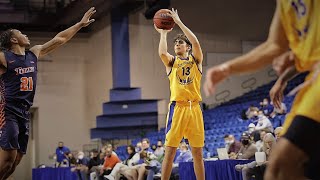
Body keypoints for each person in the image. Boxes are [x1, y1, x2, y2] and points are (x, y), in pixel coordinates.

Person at [203, 0, 320, 179]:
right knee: (279, 169)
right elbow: (274, 45)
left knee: (282, 163)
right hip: (313, 82)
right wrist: (227, 68)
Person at [0, 7, 96, 178]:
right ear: (14, 39)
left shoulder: (33, 53)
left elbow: (60, 39)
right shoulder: (4, 57)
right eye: (22, 33)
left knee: (14, 163)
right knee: (8, 158)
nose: (26, 35)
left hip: (25, 112)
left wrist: (79, 25)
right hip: (8, 111)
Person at [154, 8, 205, 180]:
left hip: (195, 108)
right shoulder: (172, 62)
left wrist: (178, 21)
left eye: (180, 43)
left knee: (197, 153)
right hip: (178, 109)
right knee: (170, 152)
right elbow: (162, 53)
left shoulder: (196, 60)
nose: (177, 45)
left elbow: (196, 42)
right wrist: (162, 33)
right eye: (175, 43)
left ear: (188, 48)